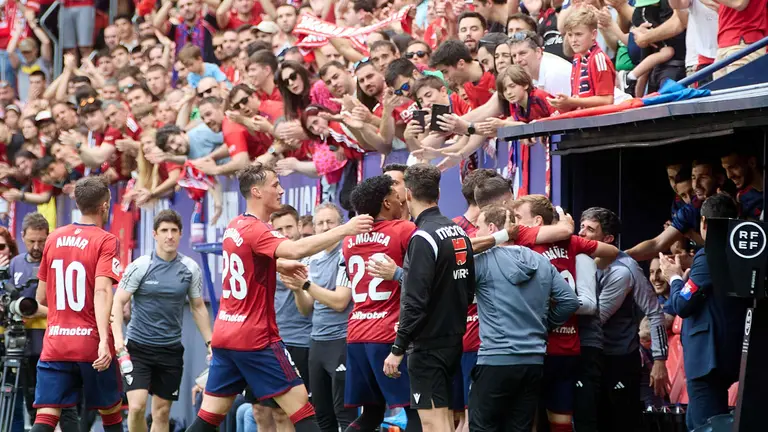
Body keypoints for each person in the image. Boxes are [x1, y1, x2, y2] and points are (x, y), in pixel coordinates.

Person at [186, 164, 373, 432]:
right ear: (256, 191)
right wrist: (345, 229)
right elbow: (295, 249)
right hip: (255, 338)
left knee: (209, 417)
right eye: (275, 185)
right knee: (302, 410)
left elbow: (248, 265)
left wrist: (276, 266)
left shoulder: (234, 225)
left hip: (226, 335)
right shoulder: (258, 229)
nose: (281, 190)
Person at [511, 195, 619, 432]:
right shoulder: (573, 243)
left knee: (528, 419)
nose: (515, 222)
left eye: (519, 217)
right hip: (569, 345)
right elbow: (612, 251)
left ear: (537, 220)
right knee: (561, 421)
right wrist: (593, 264)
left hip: (539, 346)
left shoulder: (524, 240)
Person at [470, 204, 580, 431]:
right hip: (533, 362)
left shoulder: (482, 260)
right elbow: (570, 301)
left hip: (496, 359)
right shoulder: (541, 261)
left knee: (483, 427)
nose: (474, 233)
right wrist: (544, 325)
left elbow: (450, 257)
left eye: (477, 228)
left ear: (491, 228)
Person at [383, 164, 475, 432]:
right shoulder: (458, 231)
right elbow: (468, 289)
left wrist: (398, 349)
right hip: (453, 340)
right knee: (445, 418)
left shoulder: (422, 236)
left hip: (428, 346)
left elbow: (415, 300)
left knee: (433, 424)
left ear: (408, 194)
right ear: (437, 192)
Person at [31, 176, 125, 432]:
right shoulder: (105, 240)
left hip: (56, 341)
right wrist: (106, 341)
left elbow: (41, 296)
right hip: (90, 342)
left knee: (47, 414)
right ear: (105, 205)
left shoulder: (53, 238)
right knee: (111, 411)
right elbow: (104, 290)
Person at [111, 209, 214, 432]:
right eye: (164, 231)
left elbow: (198, 307)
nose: (170, 236)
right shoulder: (140, 266)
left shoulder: (190, 268)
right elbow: (118, 302)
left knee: (162, 412)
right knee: (137, 407)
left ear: (180, 234)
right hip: (138, 348)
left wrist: (210, 343)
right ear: (155, 234)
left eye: (174, 231)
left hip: (170, 350)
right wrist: (119, 340)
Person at [658, 193, 752, 430]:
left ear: (704, 222)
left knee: (703, 426)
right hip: (726, 354)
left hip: (707, 359)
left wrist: (675, 277)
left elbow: (682, 305)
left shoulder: (709, 254)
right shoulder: (742, 253)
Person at [579, 207, 670, 432]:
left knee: (621, 422)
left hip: (618, 357)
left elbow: (654, 312)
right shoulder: (580, 259)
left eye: (590, 229)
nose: (581, 233)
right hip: (592, 355)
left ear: (607, 238)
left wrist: (659, 360)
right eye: (581, 226)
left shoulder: (624, 269)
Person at [282, 203, 358, 432]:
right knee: (321, 415)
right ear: (313, 228)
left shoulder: (347, 254)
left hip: (341, 340)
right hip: (316, 342)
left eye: (330, 222)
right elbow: (306, 309)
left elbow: (340, 301)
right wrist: (297, 289)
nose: (325, 228)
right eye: (320, 223)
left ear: (341, 225)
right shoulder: (310, 260)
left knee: (344, 414)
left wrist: (305, 284)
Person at [549, 8, 615, 112]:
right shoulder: (577, 58)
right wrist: (564, 106)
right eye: (570, 35)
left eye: (578, 34)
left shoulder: (598, 59)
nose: (573, 40)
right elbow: (579, 98)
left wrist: (572, 102)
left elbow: (607, 100)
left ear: (593, 34)